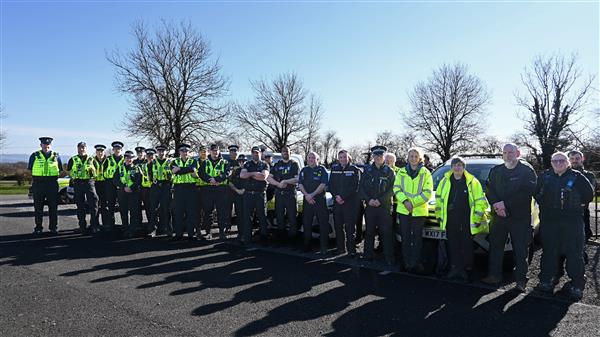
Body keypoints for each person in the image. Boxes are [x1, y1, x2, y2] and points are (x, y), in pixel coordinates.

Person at [534, 152, 594, 300]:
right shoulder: (544, 177)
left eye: (562, 161)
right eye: (555, 161)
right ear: (551, 162)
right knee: (549, 251)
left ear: (567, 163)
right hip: (549, 221)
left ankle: (577, 284)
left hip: (572, 222)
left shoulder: (577, 177)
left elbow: (588, 195)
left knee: (575, 253)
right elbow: (536, 193)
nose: (558, 163)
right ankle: (547, 279)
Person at [482, 143, 537, 292]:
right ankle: (494, 276)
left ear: (518, 153)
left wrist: (505, 204)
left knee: (520, 250)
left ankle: (520, 281)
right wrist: (496, 204)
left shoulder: (527, 171)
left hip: (519, 218)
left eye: (511, 152)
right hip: (498, 216)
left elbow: (527, 193)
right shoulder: (496, 171)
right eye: (505, 152)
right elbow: (489, 189)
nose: (508, 155)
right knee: (496, 247)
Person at [435, 156, 489, 282]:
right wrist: (439, 216)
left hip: (468, 219)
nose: (457, 167)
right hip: (451, 218)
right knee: (452, 244)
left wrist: (477, 217)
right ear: (451, 167)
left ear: (463, 167)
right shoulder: (444, 181)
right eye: (454, 165)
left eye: (459, 165)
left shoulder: (472, 181)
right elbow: (438, 200)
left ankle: (466, 270)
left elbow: (480, 201)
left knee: (466, 245)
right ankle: (454, 268)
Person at [393, 147, 434, 273]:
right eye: (411, 156)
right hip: (404, 209)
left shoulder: (426, 172)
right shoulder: (401, 172)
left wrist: (413, 203)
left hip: (419, 210)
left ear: (420, 158)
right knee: (405, 238)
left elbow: (427, 192)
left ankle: (416, 263)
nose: (413, 158)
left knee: (417, 239)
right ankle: (406, 263)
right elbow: (396, 188)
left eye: (416, 156)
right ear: (408, 158)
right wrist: (405, 201)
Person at [360, 146, 396, 265]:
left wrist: (380, 200)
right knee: (369, 232)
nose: (378, 158)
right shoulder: (368, 171)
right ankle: (367, 256)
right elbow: (361, 188)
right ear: (373, 157)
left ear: (384, 157)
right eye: (376, 156)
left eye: (380, 156)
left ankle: (389, 257)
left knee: (386, 232)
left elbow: (393, 189)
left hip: (384, 207)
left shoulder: (389, 171)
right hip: (370, 206)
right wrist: (368, 200)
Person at [28, 137, 63, 235]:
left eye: (48, 144)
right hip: (39, 183)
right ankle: (38, 227)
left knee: (53, 207)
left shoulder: (56, 156)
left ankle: (53, 227)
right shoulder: (34, 155)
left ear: (50, 145)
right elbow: (30, 169)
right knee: (38, 207)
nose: (46, 146)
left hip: (52, 184)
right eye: (44, 144)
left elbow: (60, 169)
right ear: (41, 145)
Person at [330, 150, 361, 257]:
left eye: (344, 157)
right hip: (337, 202)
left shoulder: (354, 170)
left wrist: (343, 197)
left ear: (348, 158)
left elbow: (355, 186)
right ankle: (341, 249)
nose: (343, 159)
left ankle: (351, 250)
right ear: (338, 158)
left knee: (350, 228)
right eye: (341, 157)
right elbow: (331, 185)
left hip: (350, 204)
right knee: (338, 227)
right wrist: (336, 196)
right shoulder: (334, 169)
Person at [198, 144, 231, 240]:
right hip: (208, 190)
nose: (215, 152)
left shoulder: (225, 162)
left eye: (216, 150)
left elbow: (227, 173)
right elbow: (201, 173)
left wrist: (216, 180)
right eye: (213, 151)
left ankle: (222, 232)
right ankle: (208, 232)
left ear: (219, 151)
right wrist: (210, 180)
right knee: (208, 212)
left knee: (222, 212)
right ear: (210, 151)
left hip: (221, 189)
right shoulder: (205, 162)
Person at [267, 146, 300, 244]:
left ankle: (293, 240)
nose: (285, 152)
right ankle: (281, 240)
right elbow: (269, 178)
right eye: (283, 151)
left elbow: (297, 179)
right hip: (279, 195)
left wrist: (285, 181)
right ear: (281, 153)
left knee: (292, 217)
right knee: (279, 217)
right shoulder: (277, 164)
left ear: (290, 153)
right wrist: (278, 184)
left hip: (290, 194)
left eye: (287, 151)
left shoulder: (294, 164)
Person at [298, 152, 329, 254]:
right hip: (307, 201)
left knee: (323, 224)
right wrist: (307, 195)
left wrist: (312, 194)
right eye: (309, 157)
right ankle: (307, 246)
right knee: (307, 224)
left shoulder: (322, 169)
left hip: (319, 201)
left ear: (317, 159)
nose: (311, 159)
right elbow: (300, 184)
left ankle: (323, 247)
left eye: (313, 158)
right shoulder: (304, 170)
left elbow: (323, 184)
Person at [239, 146, 270, 245]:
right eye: (254, 152)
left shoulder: (265, 164)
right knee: (247, 217)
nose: (256, 154)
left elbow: (263, 176)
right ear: (251, 153)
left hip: (260, 195)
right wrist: (255, 173)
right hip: (248, 195)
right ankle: (247, 239)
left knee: (262, 217)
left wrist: (250, 174)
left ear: (261, 153)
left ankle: (263, 239)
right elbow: (242, 175)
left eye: (257, 152)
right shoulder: (247, 164)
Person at [67, 142, 99, 233]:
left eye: (84, 147)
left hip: (89, 182)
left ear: (86, 148)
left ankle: (94, 225)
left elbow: (96, 170)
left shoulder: (92, 159)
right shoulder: (73, 159)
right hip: (78, 183)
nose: (82, 149)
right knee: (80, 205)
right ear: (77, 148)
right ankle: (82, 226)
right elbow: (69, 171)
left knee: (93, 204)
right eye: (80, 147)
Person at [171, 144, 199, 241]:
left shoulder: (193, 161)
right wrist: (188, 169)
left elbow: (194, 172)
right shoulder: (174, 161)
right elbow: (174, 171)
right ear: (179, 152)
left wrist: (180, 169)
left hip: (191, 188)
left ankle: (191, 233)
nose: (185, 153)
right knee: (178, 211)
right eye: (182, 151)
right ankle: (179, 233)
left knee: (191, 211)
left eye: (186, 151)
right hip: (179, 189)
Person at [568, 150, 597, 240]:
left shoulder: (589, 175)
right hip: (565, 213)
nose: (574, 161)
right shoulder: (564, 174)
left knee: (582, 240)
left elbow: (589, 194)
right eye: (571, 159)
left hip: (582, 212)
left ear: (582, 159)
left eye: (577, 158)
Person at [114, 150, 142, 238]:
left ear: (133, 159)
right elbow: (115, 180)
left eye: (130, 158)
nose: (129, 159)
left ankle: (132, 230)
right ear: (124, 158)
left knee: (133, 212)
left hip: (133, 193)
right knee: (123, 212)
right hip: (122, 193)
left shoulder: (137, 168)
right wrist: (123, 187)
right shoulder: (120, 168)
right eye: (127, 158)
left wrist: (131, 188)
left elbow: (139, 180)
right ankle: (125, 229)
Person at [102, 141, 125, 231]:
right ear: (113, 150)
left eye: (118, 149)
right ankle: (111, 224)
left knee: (122, 205)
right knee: (110, 205)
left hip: (121, 183)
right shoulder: (108, 159)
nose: (117, 150)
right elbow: (103, 172)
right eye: (115, 149)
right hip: (110, 183)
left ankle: (124, 224)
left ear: (121, 149)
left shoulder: (125, 159)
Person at [151, 145, 173, 236]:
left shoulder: (170, 162)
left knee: (166, 209)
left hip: (166, 186)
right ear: (157, 152)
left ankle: (168, 228)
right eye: (159, 151)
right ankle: (153, 229)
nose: (161, 153)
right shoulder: (152, 162)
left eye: (163, 151)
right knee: (154, 209)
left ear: (166, 152)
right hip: (155, 187)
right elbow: (148, 174)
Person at [140, 148, 159, 237]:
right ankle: (151, 227)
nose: (150, 157)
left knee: (155, 209)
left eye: (152, 155)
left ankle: (155, 227)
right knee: (148, 209)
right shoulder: (143, 165)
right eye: (148, 155)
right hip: (146, 189)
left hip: (155, 188)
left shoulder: (157, 164)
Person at [91, 144, 108, 230]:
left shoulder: (108, 160)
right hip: (95, 184)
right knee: (95, 205)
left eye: (102, 151)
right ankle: (95, 224)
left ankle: (105, 224)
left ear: (104, 152)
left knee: (105, 205)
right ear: (96, 152)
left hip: (105, 184)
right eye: (98, 151)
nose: (100, 153)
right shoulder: (92, 160)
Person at [229, 154, 247, 237]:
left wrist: (244, 190)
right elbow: (230, 182)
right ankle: (240, 233)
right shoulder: (235, 171)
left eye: (243, 161)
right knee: (239, 215)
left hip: (248, 196)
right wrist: (237, 190)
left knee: (247, 215)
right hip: (237, 195)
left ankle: (247, 233)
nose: (242, 163)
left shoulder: (249, 170)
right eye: (240, 161)